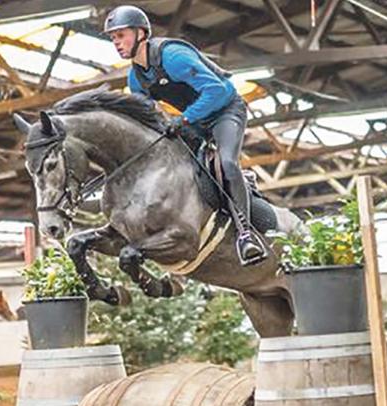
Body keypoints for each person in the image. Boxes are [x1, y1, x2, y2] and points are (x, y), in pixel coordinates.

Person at [104, 5, 268, 266]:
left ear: (141, 33)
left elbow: (218, 90)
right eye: (113, 38)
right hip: (193, 120)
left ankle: (247, 235)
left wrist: (183, 119)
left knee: (226, 163)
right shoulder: (136, 79)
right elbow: (147, 120)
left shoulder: (173, 57)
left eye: (121, 35)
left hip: (226, 110)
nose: (116, 43)